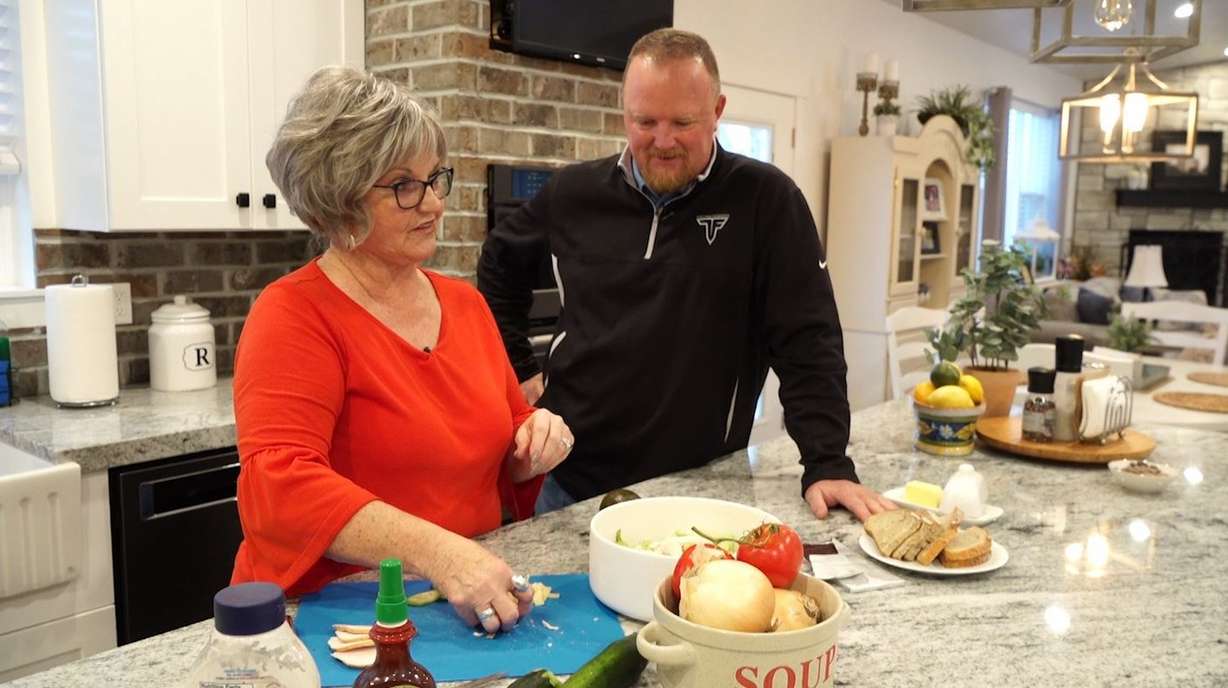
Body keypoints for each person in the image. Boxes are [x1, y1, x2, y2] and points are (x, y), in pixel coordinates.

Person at [477, 29, 894, 522]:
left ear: (717, 111)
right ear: (624, 112)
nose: (663, 140)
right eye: (645, 121)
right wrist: (519, 369)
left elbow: (809, 340)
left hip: (699, 489)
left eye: (683, 121)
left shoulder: (766, 201)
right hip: (569, 484)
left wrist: (827, 461)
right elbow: (499, 263)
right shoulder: (573, 191)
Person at [230, 67, 574, 634]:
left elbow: (507, 440)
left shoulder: (464, 305)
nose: (435, 203)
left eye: (435, 178)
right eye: (403, 186)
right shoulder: (293, 315)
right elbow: (280, 489)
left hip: (458, 600)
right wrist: (443, 554)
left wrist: (533, 440)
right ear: (337, 204)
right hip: (339, 618)